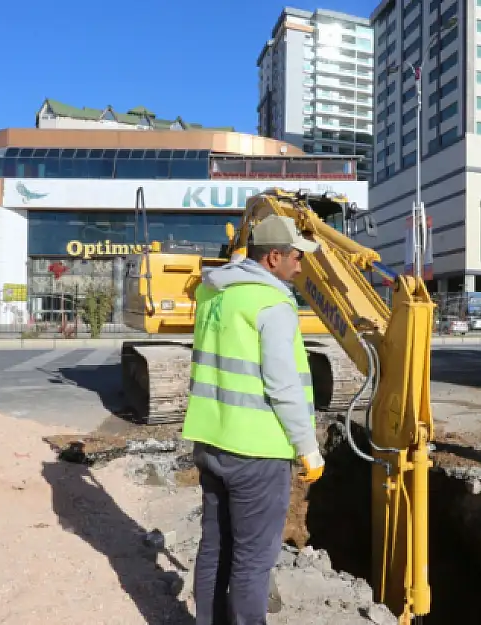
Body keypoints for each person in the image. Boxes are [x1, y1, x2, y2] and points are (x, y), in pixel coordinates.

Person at [182, 213, 326, 624]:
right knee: (253, 562)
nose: (300, 265)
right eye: (296, 257)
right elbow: (284, 386)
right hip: (258, 452)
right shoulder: (274, 304)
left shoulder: (213, 294)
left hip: (210, 442)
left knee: (215, 548)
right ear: (273, 258)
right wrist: (308, 448)